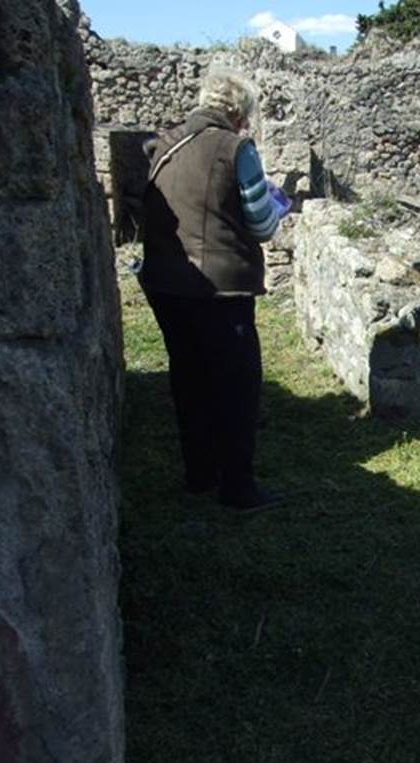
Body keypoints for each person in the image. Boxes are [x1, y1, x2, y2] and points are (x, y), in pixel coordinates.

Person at [140, 68, 283, 512]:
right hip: (220, 288)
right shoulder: (235, 148)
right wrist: (276, 208)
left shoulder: (163, 142)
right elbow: (260, 222)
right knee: (236, 385)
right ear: (240, 112)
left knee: (189, 376)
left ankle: (200, 473)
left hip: (166, 282)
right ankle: (239, 488)